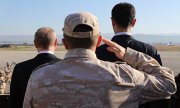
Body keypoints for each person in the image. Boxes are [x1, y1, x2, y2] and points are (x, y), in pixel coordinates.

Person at [23, 12, 176, 108]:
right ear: (98, 41)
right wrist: (128, 55)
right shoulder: (124, 75)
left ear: (65, 42)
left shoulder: (39, 78)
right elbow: (168, 84)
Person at [96, 2, 162, 65]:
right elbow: (162, 74)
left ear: (113, 22)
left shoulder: (97, 52)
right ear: (134, 22)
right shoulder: (150, 51)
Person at [9, 27, 60, 108]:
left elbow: (14, 101)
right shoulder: (66, 67)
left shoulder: (20, 68)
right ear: (56, 42)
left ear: (35, 43)